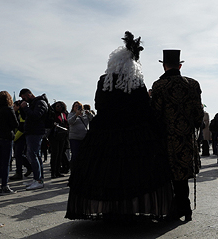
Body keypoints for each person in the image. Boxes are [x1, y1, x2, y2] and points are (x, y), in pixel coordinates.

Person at [66, 32, 174, 221]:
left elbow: (99, 104)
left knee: (106, 172)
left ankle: (110, 208)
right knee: (134, 172)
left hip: (104, 131)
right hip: (134, 132)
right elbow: (144, 108)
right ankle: (131, 208)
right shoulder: (136, 81)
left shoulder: (104, 81)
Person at [151, 48, 204, 221]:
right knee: (182, 174)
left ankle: (178, 207)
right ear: (180, 66)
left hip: (167, 138)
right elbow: (198, 113)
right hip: (186, 137)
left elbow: (156, 114)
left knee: (170, 174)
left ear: (164, 66)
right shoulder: (193, 84)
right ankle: (184, 206)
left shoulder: (159, 85)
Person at [19, 88, 50, 191]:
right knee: (36, 155)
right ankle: (38, 179)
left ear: (28, 94)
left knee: (33, 155)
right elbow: (27, 116)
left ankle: (38, 180)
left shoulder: (40, 102)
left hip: (35, 132)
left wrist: (26, 108)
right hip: (31, 132)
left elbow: (36, 116)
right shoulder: (33, 103)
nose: (24, 100)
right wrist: (23, 109)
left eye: (24, 97)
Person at [10, 100, 31, 181]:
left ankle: (19, 172)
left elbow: (22, 127)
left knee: (18, 154)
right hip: (19, 136)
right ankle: (29, 167)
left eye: (14, 106)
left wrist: (15, 138)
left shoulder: (21, 113)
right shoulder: (17, 113)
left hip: (21, 137)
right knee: (19, 155)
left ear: (18, 106)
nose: (13, 107)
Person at [48, 101, 69, 178]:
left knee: (60, 154)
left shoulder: (64, 114)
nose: (59, 107)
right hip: (55, 136)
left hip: (62, 136)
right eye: (57, 106)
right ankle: (53, 172)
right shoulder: (53, 113)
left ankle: (58, 171)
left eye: (61, 106)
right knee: (55, 154)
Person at [67, 101, 91, 167]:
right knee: (75, 155)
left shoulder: (85, 114)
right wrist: (76, 115)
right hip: (74, 138)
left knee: (84, 155)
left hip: (84, 137)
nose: (77, 107)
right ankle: (74, 169)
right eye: (75, 106)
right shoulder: (71, 114)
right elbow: (70, 122)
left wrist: (89, 113)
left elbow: (93, 119)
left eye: (79, 106)